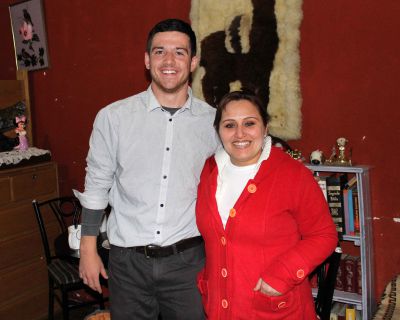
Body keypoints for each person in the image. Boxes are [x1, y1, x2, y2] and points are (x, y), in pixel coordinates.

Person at [74, 18, 219, 320]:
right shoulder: (113, 117)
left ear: (193, 62)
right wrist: (88, 248)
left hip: (189, 264)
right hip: (128, 265)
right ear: (146, 59)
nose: (169, 61)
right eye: (159, 51)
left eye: (179, 52)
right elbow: (97, 183)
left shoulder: (213, 123)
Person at [195, 89, 338, 319]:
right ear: (219, 131)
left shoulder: (293, 175)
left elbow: (324, 235)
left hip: (274, 307)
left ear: (265, 128)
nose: (239, 133)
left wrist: (283, 274)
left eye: (249, 123)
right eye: (229, 125)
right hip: (220, 309)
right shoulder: (209, 171)